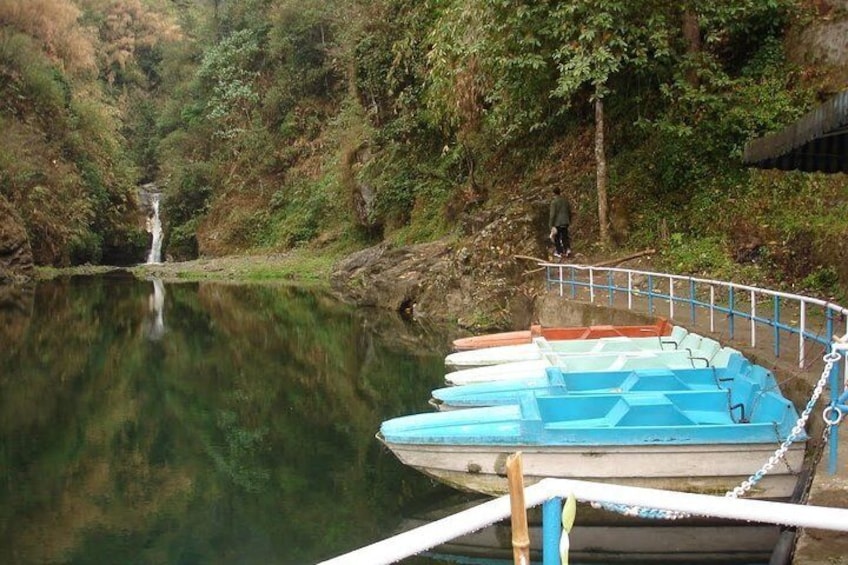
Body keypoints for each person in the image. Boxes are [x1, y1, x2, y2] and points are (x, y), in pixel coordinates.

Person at [549, 187, 572, 258]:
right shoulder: (565, 201)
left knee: (557, 238)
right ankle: (567, 249)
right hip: (565, 222)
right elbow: (569, 212)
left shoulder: (554, 202)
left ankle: (559, 252)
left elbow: (552, 214)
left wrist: (551, 225)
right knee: (565, 236)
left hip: (557, 223)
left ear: (553, 193)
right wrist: (569, 220)